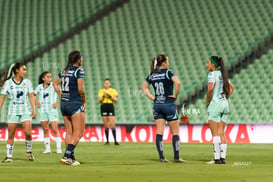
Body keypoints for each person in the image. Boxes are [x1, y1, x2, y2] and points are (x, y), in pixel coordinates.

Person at [141, 55, 185, 163]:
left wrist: (152, 97)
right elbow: (178, 83)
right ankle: (176, 157)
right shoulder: (168, 72)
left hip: (157, 105)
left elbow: (144, 87)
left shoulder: (152, 75)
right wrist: (175, 94)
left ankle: (161, 157)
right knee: (175, 132)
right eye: (168, 61)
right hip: (168, 104)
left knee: (159, 132)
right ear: (164, 63)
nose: (168, 63)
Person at [53, 50, 86, 166]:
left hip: (64, 104)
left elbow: (54, 84)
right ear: (78, 59)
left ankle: (71, 157)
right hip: (75, 103)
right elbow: (81, 89)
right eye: (81, 58)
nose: (82, 59)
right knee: (79, 132)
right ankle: (67, 155)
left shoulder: (64, 71)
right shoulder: (79, 71)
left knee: (69, 132)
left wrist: (61, 94)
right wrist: (84, 101)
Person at [0, 62, 36, 162]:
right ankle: (9, 156)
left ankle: (28, 151)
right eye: (24, 69)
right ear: (17, 71)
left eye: (26, 69)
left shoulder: (27, 82)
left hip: (25, 110)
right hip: (13, 111)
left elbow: (31, 96)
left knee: (28, 133)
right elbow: (2, 97)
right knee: (11, 134)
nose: (25, 71)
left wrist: (33, 109)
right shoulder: (8, 83)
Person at [205, 56, 233, 164]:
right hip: (224, 104)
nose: (206, 64)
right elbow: (231, 88)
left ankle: (216, 159)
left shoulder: (212, 74)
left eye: (208, 62)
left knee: (215, 133)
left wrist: (207, 100)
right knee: (222, 132)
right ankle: (223, 158)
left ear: (213, 65)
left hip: (215, 104)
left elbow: (210, 88)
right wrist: (225, 99)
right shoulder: (223, 75)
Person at [34, 71, 62, 154]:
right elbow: (32, 95)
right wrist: (36, 103)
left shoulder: (54, 86)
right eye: (48, 77)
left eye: (50, 77)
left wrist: (57, 103)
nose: (50, 78)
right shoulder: (39, 87)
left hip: (52, 110)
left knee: (55, 129)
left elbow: (62, 95)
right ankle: (47, 149)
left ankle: (58, 148)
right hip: (42, 110)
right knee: (45, 129)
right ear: (43, 79)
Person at [98, 78, 119, 145]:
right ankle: (107, 141)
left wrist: (110, 96)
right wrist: (104, 96)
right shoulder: (101, 91)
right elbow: (99, 101)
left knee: (112, 124)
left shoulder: (113, 91)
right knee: (106, 124)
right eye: (105, 83)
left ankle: (115, 140)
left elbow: (116, 100)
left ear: (110, 84)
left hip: (110, 106)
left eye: (107, 83)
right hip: (104, 106)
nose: (106, 84)